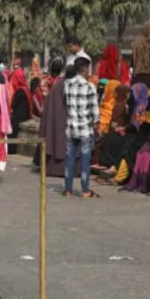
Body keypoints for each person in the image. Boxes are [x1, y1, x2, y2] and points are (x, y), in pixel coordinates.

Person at [63, 57, 100, 198]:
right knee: (85, 160)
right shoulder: (90, 87)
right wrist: (97, 124)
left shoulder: (67, 84)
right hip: (85, 129)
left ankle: (68, 190)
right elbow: (94, 111)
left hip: (71, 128)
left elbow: (66, 103)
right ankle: (85, 190)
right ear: (85, 69)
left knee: (70, 159)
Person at [6, 68, 33, 140]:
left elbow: (13, 105)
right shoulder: (26, 89)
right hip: (25, 116)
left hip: (18, 119)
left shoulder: (19, 91)